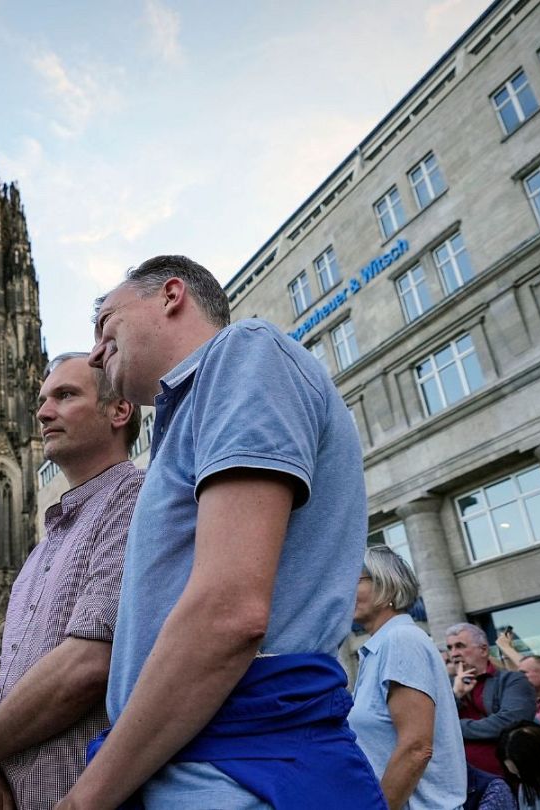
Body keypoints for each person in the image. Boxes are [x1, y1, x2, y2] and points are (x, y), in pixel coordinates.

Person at [64, 255, 384, 809]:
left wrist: (84, 800)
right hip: (212, 768)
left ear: (170, 295)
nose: (94, 352)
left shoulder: (245, 352)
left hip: (240, 776)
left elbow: (228, 612)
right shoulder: (190, 413)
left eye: (105, 324)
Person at [0, 352, 143, 810]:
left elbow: (88, 667)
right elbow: (6, 677)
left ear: (119, 410)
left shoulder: (136, 501)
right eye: (41, 399)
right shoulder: (42, 551)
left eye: (65, 395)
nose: (42, 411)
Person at [349, 545, 466, 809]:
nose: (342, 589)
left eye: (353, 580)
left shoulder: (401, 640)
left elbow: (416, 748)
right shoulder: (378, 648)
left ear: (386, 585)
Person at [448, 622, 537, 776]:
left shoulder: (512, 681)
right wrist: (454, 696)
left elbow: (510, 722)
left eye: (460, 646)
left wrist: (454, 727)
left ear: (483, 650)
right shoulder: (446, 688)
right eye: (450, 648)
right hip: (461, 784)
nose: (454, 653)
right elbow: (430, 725)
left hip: (510, 779)